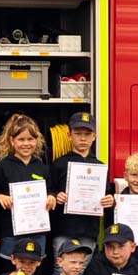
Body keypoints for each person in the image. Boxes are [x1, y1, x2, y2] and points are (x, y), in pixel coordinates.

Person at [0, 114, 56, 273]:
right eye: (21, 139)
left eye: (30, 139)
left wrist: (51, 197)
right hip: (11, 232)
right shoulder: (3, 167)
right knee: (10, 270)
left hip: (37, 231)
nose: (26, 144)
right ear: (12, 141)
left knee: (34, 271)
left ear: (37, 140)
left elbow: (51, 189)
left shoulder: (42, 167)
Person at [51, 111, 114, 260]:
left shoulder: (100, 167)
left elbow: (106, 196)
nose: (83, 138)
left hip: (89, 231)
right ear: (69, 135)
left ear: (94, 136)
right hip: (63, 229)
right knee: (61, 270)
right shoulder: (59, 164)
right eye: (78, 133)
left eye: (87, 134)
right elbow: (49, 191)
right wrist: (55, 196)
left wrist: (110, 201)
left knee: (84, 271)